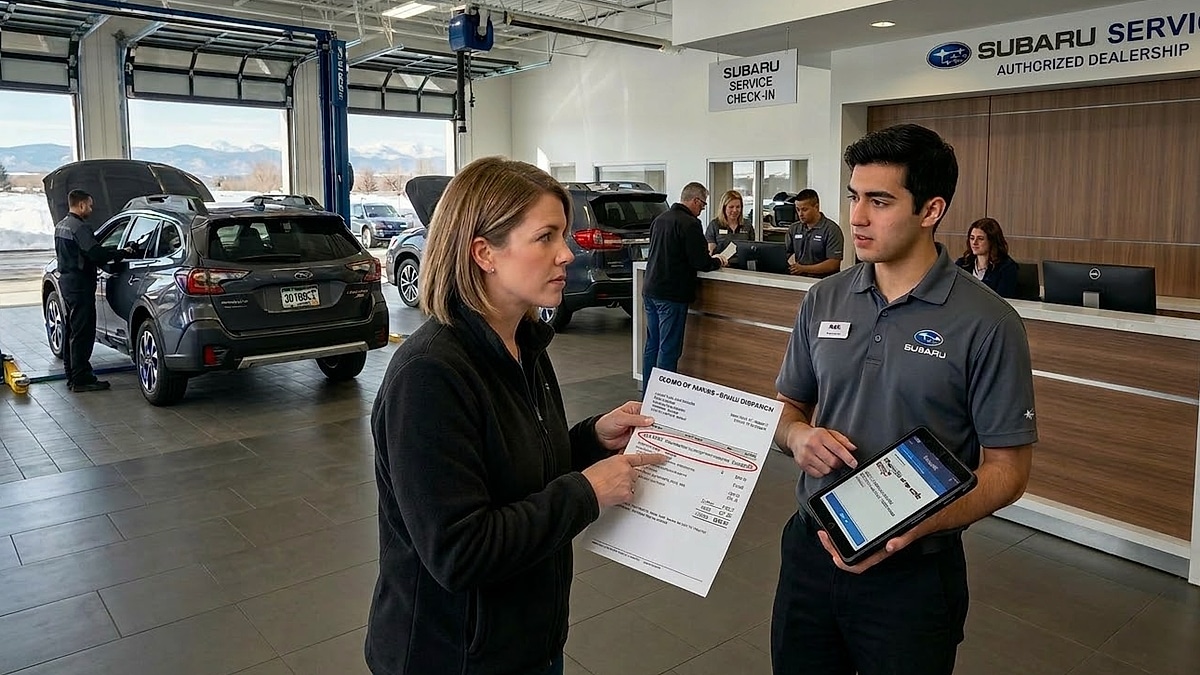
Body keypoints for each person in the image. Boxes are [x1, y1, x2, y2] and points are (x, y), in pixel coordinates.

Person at [365, 156, 669, 675]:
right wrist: (588, 491)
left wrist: (593, 440)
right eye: (546, 237)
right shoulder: (430, 375)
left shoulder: (525, 345)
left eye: (565, 236)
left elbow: (516, 472)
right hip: (454, 658)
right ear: (484, 252)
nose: (567, 254)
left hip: (527, 644)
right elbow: (458, 551)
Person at [770, 124, 1038, 675]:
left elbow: (1008, 471)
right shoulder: (824, 298)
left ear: (931, 209)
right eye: (853, 196)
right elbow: (785, 406)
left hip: (913, 573)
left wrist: (919, 525)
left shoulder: (988, 322)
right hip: (809, 551)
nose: (857, 217)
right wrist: (797, 435)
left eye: (880, 200)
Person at [641, 182, 727, 392]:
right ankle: (663, 399)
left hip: (650, 289)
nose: (702, 210)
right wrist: (719, 261)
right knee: (669, 348)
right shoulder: (689, 223)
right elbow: (701, 262)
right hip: (672, 294)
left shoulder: (660, 219)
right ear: (695, 201)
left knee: (653, 344)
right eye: (703, 204)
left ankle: (648, 394)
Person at [53, 189, 133, 393]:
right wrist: (122, 252)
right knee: (83, 333)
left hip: (67, 284)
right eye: (89, 205)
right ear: (80, 205)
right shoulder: (79, 228)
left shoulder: (61, 226)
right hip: (80, 286)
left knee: (73, 331)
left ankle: (72, 375)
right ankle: (82, 379)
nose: (91, 208)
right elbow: (95, 254)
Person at [785, 189, 844, 279]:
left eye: (804, 210)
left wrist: (804, 269)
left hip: (824, 282)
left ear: (816, 207)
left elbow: (833, 264)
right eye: (798, 209)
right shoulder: (794, 229)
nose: (800, 214)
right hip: (797, 280)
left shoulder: (831, 229)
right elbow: (786, 253)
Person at [955, 217, 1019, 298]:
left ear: (992, 241)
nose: (974, 242)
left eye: (980, 239)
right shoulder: (962, 264)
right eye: (972, 238)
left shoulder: (1006, 268)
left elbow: (1002, 301)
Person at [705, 189, 755, 257]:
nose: (735, 210)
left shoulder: (747, 225)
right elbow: (710, 251)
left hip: (742, 265)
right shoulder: (714, 225)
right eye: (731, 207)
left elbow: (752, 248)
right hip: (722, 264)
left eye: (738, 207)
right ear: (724, 208)